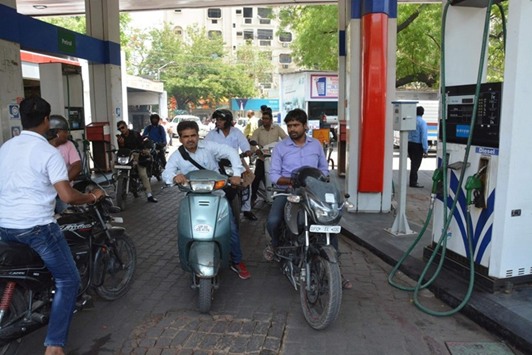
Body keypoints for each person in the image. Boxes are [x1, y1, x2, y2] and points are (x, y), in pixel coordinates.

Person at [0, 96, 106, 355]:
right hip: (36, 227)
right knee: (68, 279)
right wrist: (91, 197)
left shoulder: (6, 147)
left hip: (4, 225)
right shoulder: (49, 152)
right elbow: (67, 196)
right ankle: (55, 345)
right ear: (47, 121)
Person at [264, 108, 351, 289]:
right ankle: (275, 244)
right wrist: (292, 182)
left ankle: (336, 270)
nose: (292, 129)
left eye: (296, 125)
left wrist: (320, 181)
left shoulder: (316, 145)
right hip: (287, 192)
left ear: (305, 126)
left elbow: (324, 170)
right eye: (289, 126)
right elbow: (274, 176)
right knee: (273, 221)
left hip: (312, 192)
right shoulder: (280, 147)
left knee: (329, 224)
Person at [162, 120, 251, 280]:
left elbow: (231, 151)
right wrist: (175, 176)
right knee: (185, 229)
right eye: (185, 136)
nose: (190, 139)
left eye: (193, 135)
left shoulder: (209, 147)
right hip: (192, 198)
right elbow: (166, 173)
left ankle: (237, 261)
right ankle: (187, 257)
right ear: (180, 138)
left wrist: (237, 173)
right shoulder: (177, 156)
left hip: (217, 195)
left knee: (230, 228)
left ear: (198, 135)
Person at [205, 109, 257, 221]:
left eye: (221, 120)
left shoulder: (236, 132)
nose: (218, 122)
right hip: (217, 163)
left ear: (228, 120)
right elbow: (204, 147)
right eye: (217, 120)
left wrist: (247, 150)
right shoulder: (212, 134)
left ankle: (247, 209)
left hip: (236, 161)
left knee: (248, 180)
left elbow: (244, 144)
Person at [250, 107, 287, 205]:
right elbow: (252, 142)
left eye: (267, 118)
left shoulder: (277, 128)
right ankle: (252, 198)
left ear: (271, 120)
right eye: (263, 118)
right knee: (256, 178)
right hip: (263, 158)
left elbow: (286, 139)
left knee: (283, 176)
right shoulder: (258, 131)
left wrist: (283, 148)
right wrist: (256, 150)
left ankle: (283, 196)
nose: (264, 120)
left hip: (276, 158)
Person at [46, 115, 83, 213]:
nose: (67, 134)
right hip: (46, 194)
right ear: (56, 132)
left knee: (68, 217)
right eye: (65, 131)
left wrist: (62, 184)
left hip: (64, 193)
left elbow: (77, 166)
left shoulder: (69, 145)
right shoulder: (43, 146)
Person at [116, 120, 158, 203]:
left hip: (137, 155)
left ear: (126, 126)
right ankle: (117, 180)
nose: (121, 130)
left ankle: (149, 195)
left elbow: (142, 144)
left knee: (142, 174)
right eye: (119, 129)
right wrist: (122, 144)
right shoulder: (120, 138)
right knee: (114, 163)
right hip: (127, 157)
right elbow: (122, 150)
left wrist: (144, 150)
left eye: (122, 127)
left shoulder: (135, 134)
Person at [408, 106, 428, 188]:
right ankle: (413, 182)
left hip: (410, 144)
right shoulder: (422, 122)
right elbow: (424, 137)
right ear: (423, 113)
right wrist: (425, 149)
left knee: (413, 163)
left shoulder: (411, 121)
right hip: (417, 145)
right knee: (416, 164)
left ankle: (412, 181)